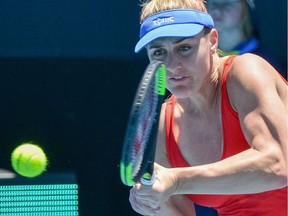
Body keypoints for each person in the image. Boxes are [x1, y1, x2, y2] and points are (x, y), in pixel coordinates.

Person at [128, 0, 288, 215]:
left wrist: (176, 180)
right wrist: (152, 201)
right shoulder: (163, 122)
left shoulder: (246, 71)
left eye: (184, 48)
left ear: (212, 40)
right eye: (158, 53)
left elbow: (277, 166)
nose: (173, 65)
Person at [206, 0, 286, 78]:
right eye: (213, 2)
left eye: (228, 3)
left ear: (246, 8)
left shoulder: (264, 62)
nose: (218, 10)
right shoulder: (203, 57)